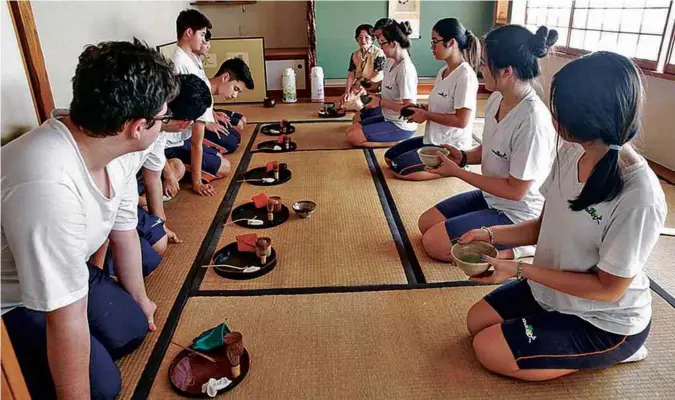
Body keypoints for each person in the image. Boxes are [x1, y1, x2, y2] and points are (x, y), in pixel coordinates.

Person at [463, 51, 666, 382]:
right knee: (476, 321)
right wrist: (488, 235)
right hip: (550, 288)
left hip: (603, 318)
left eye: (560, 111)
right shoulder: (572, 151)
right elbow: (544, 227)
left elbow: (607, 289)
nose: (553, 117)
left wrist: (517, 269)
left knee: (489, 348)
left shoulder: (639, 195)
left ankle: (620, 350)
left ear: (587, 119)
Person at [1, 39, 176, 399]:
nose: (165, 124)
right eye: (164, 118)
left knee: (131, 327)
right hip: (13, 300)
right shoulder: (46, 181)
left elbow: (124, 230)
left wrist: (141, 300)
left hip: (69, 273)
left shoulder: (117, 148)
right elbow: (64, 315)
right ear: (138, 126)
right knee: (100, 389)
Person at [418, 25, 558, 260]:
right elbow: (491, 148)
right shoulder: (496, 99)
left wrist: (458, 172)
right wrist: (462, 156)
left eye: (483, 63)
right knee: (426, 223)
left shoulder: (532, 119)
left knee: (433, 243)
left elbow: (516, 191)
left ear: (506, 71)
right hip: (490, 196)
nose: (479, 68)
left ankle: (524, 246)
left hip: (518, 213)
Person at [103, 74, 213, 277]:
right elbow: (109, 206)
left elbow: (152, 177)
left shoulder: (157, 130)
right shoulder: (134, 131)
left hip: (122, 197)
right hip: (104, 213)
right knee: (152, 251)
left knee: (158, 241)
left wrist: (161, 224)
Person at [384, 18, 480, 180]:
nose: (432, 47)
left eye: (435, 42)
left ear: (451, 43)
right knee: (390, 157)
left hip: (450, 145)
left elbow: (461, 120)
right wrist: (420, 108)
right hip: (433, 138)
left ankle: (455, 165)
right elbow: (440, 106)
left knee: (400, 170)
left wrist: (426, 115)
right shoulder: (443, 71)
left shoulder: (465, 76)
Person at [172, 9, 231, 196]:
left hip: (189, 132)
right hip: (177, 139)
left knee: (223, 153)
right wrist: (197, 183)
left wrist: (212, 115)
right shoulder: (179, 63)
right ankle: (181, 173)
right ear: (189, 33)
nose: (205, 41)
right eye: (203, 34)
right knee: (225, 167)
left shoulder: (192, 57)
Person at [346, 20, 418, 148]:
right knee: (351, 128)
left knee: (353, 137)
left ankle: (397, 143)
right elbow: (385, 84)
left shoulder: (405, 70)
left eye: (382, 43)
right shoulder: (390, 61)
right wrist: (372, 86)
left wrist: (380, 102)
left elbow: (410, 110)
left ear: (394, 44)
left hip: (400, 125)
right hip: (387, 116)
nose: (381, 46)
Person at [203, 57, 255, 154]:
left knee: (236, 137)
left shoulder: (207, 90)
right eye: (235, 89)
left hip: (207, 113)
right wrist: (206, 123)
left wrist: (212, 113)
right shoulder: (200, 90)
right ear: (225, 77)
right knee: (231, 143)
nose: (234, 96)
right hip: (191, 129)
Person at [340, 24, 386, 111]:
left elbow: (377, 73)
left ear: (372, 39)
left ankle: (366, 105)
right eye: (360, 37)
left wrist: (364, 86)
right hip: (358, 86)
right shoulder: (355, 54)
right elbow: (351, 74)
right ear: (357, 39)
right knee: (343, 103)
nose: (363, 40)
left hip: (374, 87)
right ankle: (363, 105)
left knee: (358, 104)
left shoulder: (379, 53)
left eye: (366, 37)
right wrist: (346, 92)